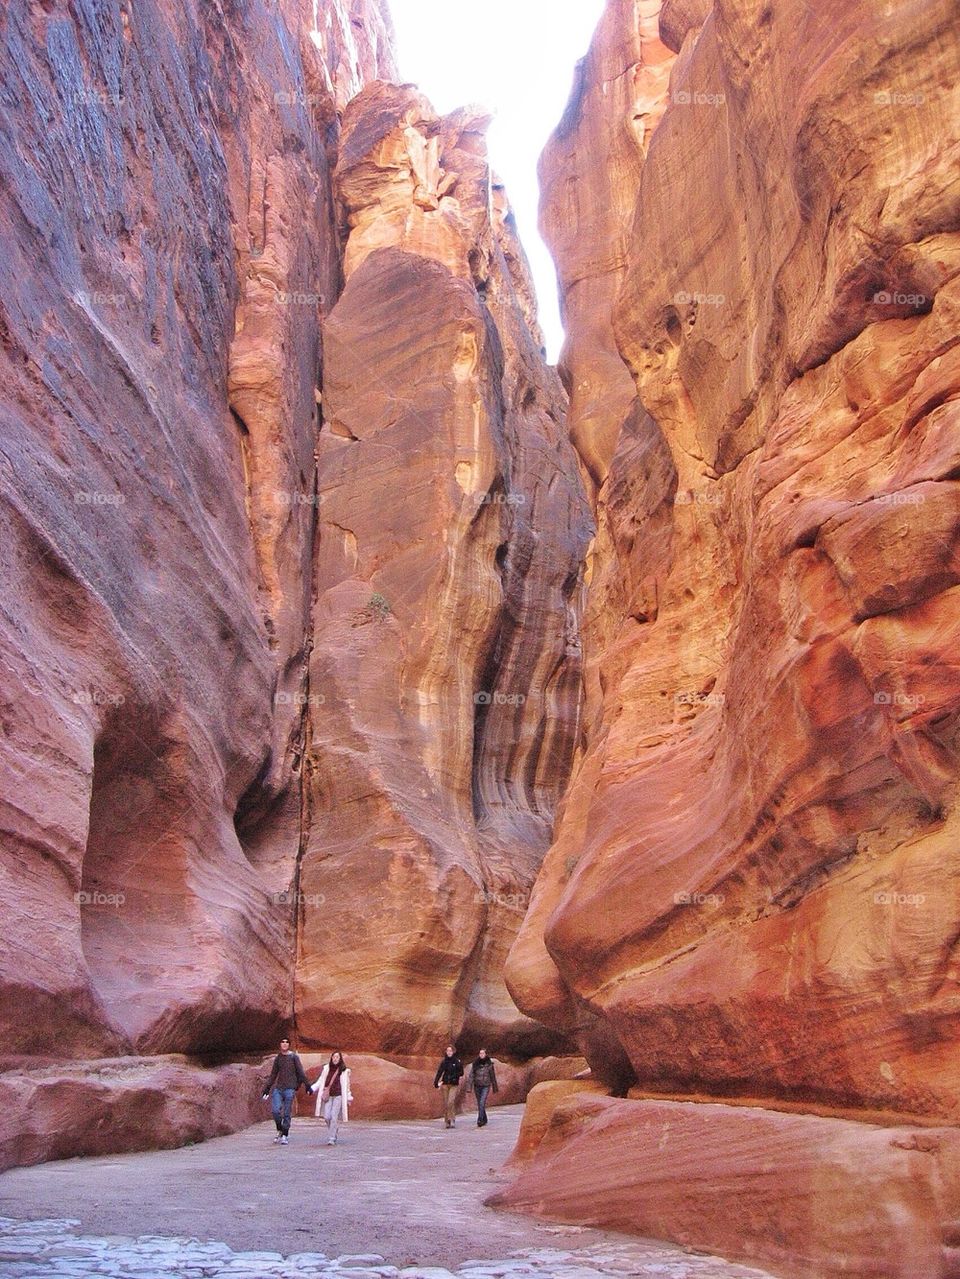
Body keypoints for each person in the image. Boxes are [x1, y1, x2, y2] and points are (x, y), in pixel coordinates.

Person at [262, 1036, 312, 1144]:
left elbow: (301, 1072)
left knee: (287, 1113)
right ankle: (280, 1129)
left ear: (289, 1045)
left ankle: (285, 1134)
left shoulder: (294, 1057)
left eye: (286, 1042)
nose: (284, 1044)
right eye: (282, 1042)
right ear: (280, 1044)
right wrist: (267, 1088)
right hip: (279, 1089)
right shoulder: (278, 1058)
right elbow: (273, 1074)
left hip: (290, 1089)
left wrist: (307, 1085)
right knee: (275, 1111)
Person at [312, 1050, 352, 1145]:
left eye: (337, 1057)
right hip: (328, 1095)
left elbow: (347, 1086)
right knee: (327, 1117)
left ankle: (332, 1137)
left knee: (334, 1117)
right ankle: (334, 1129)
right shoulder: (326, 1069)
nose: (335, 1059)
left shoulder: (344, 1071)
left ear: (340, 1059)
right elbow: (321, 1080)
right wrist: (312, 1088)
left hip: (338, 1096)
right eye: (334, 1057)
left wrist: (348, 1097)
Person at [433, 1045, 464, 1127]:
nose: (449, 1052)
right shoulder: (444, 1062)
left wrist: (454, 1076)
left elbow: (461, 1072)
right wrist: (436, 1082)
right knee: (446, 1103)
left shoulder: (457, 1061)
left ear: (453, 1052)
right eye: (447, 1051)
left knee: (451, 1102)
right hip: (445, 1084)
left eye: (450, 1051)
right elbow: (440, 1072)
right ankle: (447, 1121)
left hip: (454, 1084)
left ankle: (452, 1119)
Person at [469, 1048, 498, 1127]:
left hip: (486, 1085)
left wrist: (495, 1087)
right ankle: (484, 1118)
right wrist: (469, 1087)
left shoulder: (489, 1064)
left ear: (486, 1054)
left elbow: (492, 1076)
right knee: (479, 1103)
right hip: (477, 1085)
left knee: (482, 1102)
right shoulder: (475, 1064)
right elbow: (471, 1075)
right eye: (480, 1053)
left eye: (483, 1053)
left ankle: (480, 1119)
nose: (481, 1055)